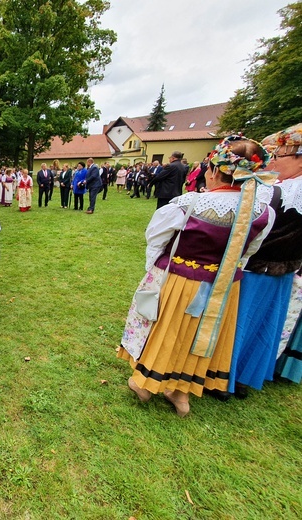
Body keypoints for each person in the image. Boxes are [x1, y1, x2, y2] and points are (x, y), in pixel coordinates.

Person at [118, 135, 275, 416]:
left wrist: (153, 270)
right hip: (224, 285)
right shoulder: (263, 211)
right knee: (201, 336)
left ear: (214, 170)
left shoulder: (188, 204)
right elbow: (249, 250)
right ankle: (180, 393)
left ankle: (144, 384)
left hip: (181, 279)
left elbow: (156, 238)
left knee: (167, 329)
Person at [229, 123, 302, 394]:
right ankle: (246, 376)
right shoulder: (281, 187)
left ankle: (229, 375)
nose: (274, 162)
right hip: (283, 272)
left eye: (279, 156)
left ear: (298, 158)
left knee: (243, 323)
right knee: (265, 324)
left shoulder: (274, 192)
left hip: (256, 268)